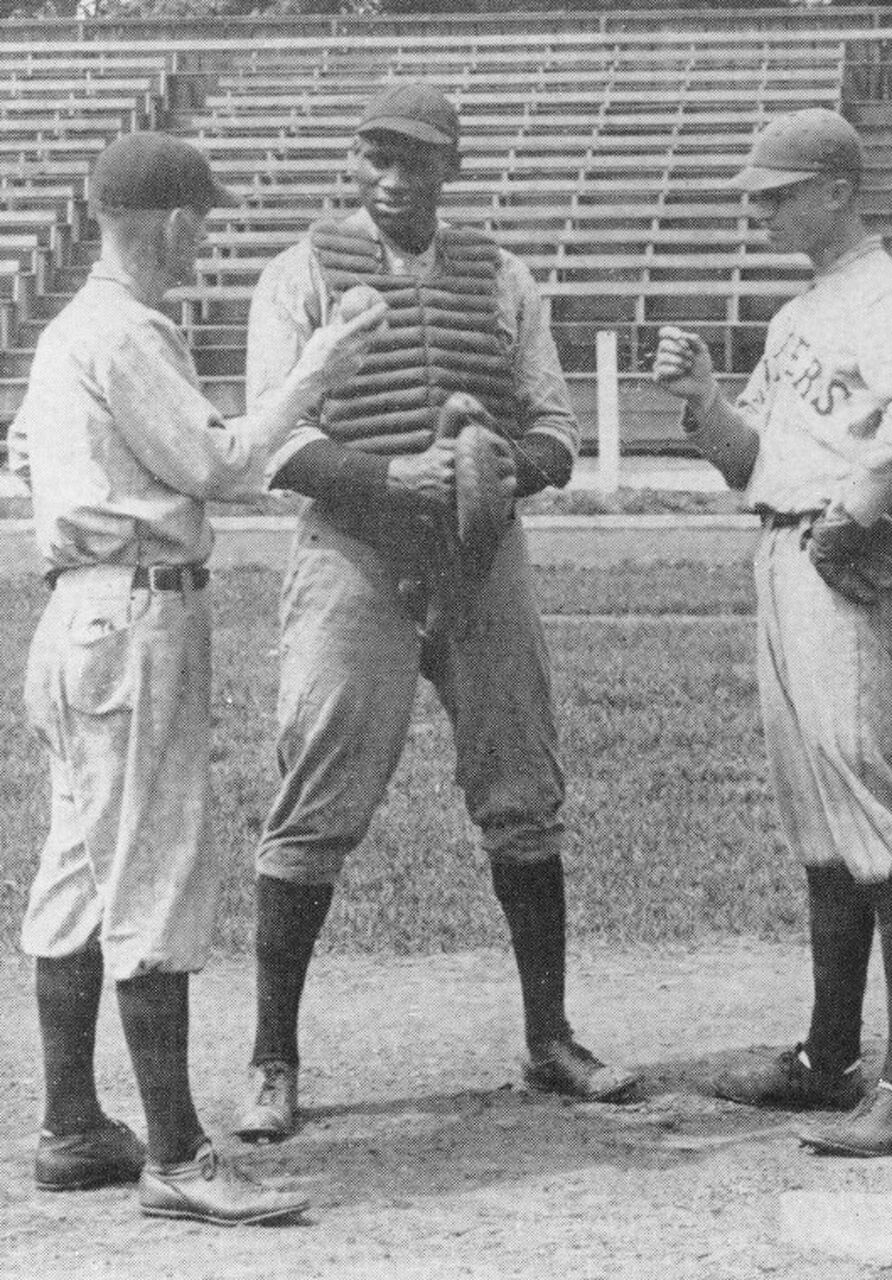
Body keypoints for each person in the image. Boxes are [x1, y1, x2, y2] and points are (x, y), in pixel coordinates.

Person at [232, 82, 638, 1144]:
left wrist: (505, 463)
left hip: (479, 554)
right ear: (353, 160)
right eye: (378, 155)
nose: (395, 177)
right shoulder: (299, 276)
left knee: (521, 792)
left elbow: (555, 431)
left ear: (450, 168)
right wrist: (389, 475)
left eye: (417, 159)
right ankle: (272, 1056)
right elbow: (275, 443)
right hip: (354, 551)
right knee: (314, 799)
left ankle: (547, 1035)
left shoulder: (499, 275)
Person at [10, 131, 385, 1224]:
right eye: (200, 221)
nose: (204, 238)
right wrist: (316, 368)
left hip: (78, 614)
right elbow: (221, 462)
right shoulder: (125, 330)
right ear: (169, 222)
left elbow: (32, 459)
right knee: (153, 875)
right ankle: (175, 1150)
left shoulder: (66, 327)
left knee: (77, 871)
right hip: (135, 611)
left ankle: (75, 1124)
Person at [653, 108, 892, 1157]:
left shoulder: (882, 296)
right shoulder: (799, 310)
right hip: (783, 553)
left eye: (780, 189)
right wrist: (702, 407)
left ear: (835, 189)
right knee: (820, 826)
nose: (762, 205)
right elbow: (753, 461)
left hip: (839, 566)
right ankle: (828, 1060)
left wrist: (852, 511)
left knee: (874, 821)